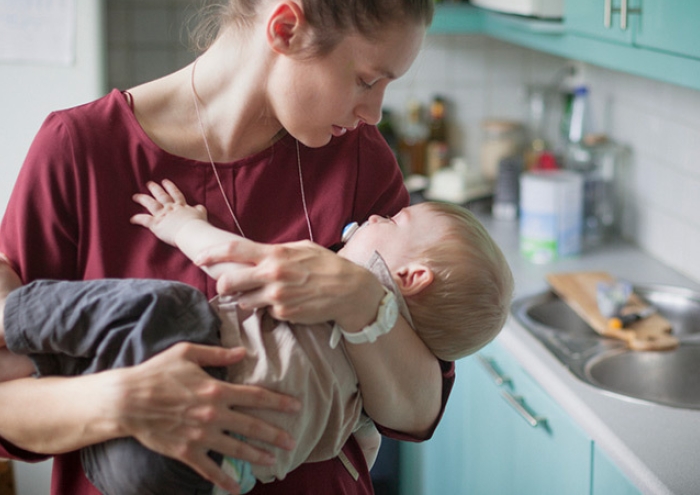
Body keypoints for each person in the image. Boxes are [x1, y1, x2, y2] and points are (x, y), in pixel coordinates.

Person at [0, 0, 449, 494]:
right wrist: (119, 400)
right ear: (285, 29)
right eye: (368, 81)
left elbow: (417, 412)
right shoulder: (78, 150)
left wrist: (361, 299)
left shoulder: (360, 161)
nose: (372, 113)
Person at [0, 179, 513, 494]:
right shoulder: (366, 408)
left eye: (394, 220)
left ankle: (10, 314)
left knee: (169, 306)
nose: (378, 215)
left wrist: (181, 226)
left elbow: (234, 263)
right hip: (197, 479)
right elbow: (365, 443)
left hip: (200, 391)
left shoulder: (340, 280)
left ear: (410, 277)